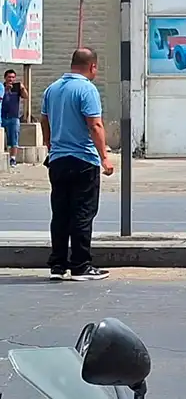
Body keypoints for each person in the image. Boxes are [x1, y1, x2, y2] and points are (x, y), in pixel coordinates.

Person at [40, 48, 114, 282]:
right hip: (83, 159)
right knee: (82, 212)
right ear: (92, 66)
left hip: (58, 160)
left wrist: (51, 145)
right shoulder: (87, 89)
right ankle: (81, 266)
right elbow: (95, 126)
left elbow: (44, 120)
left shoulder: (52, 89)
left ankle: (58, 264)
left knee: (60, 213)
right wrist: (104, 157)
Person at [2, 69, 27, 168]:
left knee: (14, 139)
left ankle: (13, 158)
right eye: (9, 77)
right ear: (5, 78)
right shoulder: (1, 87)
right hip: (3, 116)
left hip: (14, 117)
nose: (11, 79)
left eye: (13, 77)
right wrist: (5, 90)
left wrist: (23, 88)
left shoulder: (17, 88)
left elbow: (26, 96)